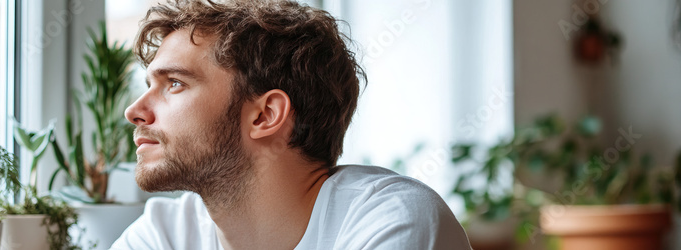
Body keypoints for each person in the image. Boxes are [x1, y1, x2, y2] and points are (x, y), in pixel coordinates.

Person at [111, 0, 471, 249]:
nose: (134, 111)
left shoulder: (390, 220)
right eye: (148, 86)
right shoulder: (167, 233)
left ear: (265, 115)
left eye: (174, 83)